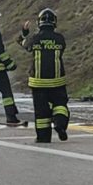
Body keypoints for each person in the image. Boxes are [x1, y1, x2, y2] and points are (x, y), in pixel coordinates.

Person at [17, 8, 70, 143]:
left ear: (39, 22)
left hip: (38, 82)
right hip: (57, 81)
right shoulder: (60, 39)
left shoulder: (34, 39)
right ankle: (59, 124)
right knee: (60, 105)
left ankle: (43, 137)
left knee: (41, 111)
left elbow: (23, 44)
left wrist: (24, 33)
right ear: (54, 22)